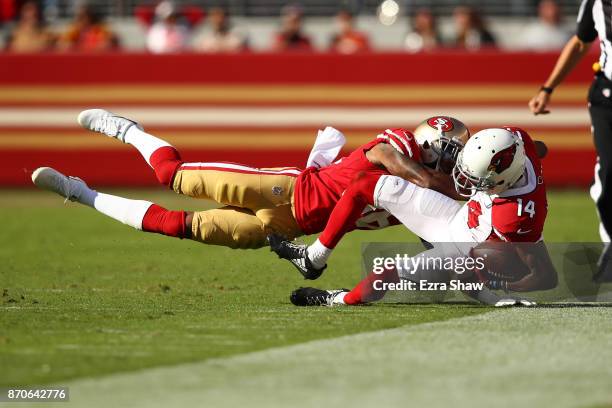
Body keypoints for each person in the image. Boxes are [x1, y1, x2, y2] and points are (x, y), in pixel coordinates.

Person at [31, 110, 458, 278]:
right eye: (450, 151)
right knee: (172, 176)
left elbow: (434, 234)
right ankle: (127, 130)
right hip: (284, 187)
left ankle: (79, 193)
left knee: (179, 226)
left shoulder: (422, 194)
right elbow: (396, 163)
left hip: (288, 227)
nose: (451, 161)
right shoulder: (402, 146)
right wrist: (454, 188)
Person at [273, 128, 557, 306]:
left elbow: (546, 277)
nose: (464, 181)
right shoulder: (518, 141)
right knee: (364, 183)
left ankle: (336, 299)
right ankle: (314, 258)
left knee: (383, 273)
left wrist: (494, 285)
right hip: (457, 219)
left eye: (476, 180)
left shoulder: (516, 216)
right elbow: (537, 149)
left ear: (503, 180)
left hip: (464, 254)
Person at [528, 0, 611, 281]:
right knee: (609, 174)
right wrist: (547, 88)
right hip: (607, 97)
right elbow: (580, 42)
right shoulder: (597, 3)